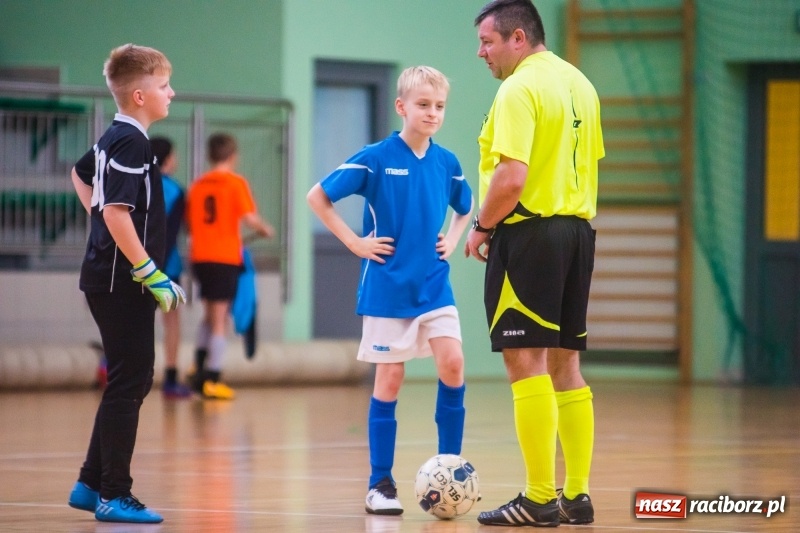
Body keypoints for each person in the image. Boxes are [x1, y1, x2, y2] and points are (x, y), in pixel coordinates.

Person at [307, 65, 473, 516]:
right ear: (401, 106)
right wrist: (355, 243)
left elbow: (466, 206)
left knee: (453, 362)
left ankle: (450, 468)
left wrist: (454, 239)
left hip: (434, 283)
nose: (432, 113)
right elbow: (317, 197)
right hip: (387, 285)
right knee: (391, 378)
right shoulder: (375, 157)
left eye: (439, 106)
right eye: (423, 105)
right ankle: (380, 482)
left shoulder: (448, 163)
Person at [464, 0, 604, 527]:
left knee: (526, 363)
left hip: (529, 234)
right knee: (567, 364)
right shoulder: (580, 84)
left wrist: (481, 227)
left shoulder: (519, 88)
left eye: (487, 42)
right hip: (577, 233)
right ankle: (578, 494)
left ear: (517, 37)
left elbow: (513, 176)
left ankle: (539, 498)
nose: (481, 52)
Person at [67, 43, 185, 524]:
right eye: (163, 86)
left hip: (111, 278)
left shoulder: (117, 137)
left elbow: (78, 175)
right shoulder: (132, 141)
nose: (171, 92)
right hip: (121, 282)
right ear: (139, 95)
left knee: (131, 378)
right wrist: (147, 269)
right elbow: (115, 211)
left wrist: (101, 228)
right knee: (130, 381)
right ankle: (114, 494)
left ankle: (89, 482)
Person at [185, 132, 274, 400]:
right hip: (224, 258)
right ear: (233, 156)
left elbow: (191, 223)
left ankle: (198, 368)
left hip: (200, 258)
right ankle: (212, 377)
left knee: (212, 315)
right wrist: (265, 229)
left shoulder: (197, 186)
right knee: (220, 320)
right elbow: (249, 217)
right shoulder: (235, 184)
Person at [150, 136, 193, 398]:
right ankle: (170, 378)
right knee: (172, 323)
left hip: (136, 264)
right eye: (174, 155)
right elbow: (170, 232)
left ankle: (113, 371)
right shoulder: (176, 190)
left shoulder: (137, 185)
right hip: (167, 267)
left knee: (131, 322)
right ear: (166, 159)